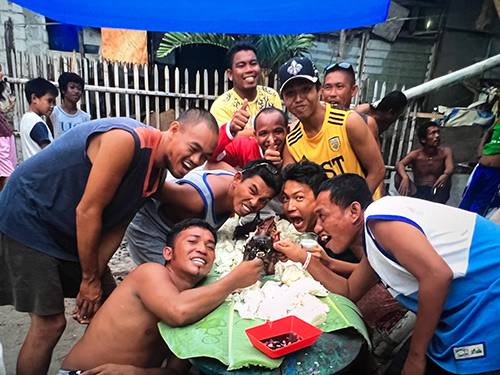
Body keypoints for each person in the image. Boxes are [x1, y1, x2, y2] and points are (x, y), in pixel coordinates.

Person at [0, 109, 219, 375]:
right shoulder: (126, 140)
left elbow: (117, 226)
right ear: (173, 129)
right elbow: (88, 211)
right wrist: (88, 279)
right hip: (30, 218)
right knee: (50, 324)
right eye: (193, 148)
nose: (195, 160)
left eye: (205, 157)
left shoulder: (155, 174)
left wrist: (91, 280)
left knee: (107, 302)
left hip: (69, 230)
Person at [275, 173, 500, 375]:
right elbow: (349, 291)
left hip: (486, 305)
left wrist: (416, 356)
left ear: (354, 211)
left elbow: (436, 275)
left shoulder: (380, 220)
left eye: (322, 216)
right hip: (457, 315)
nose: (317, 227)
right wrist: (303, 258)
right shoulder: (374, 240)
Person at [60, 219, 264, 374]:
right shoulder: (150, 272)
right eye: (192, 241)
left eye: (210, 247)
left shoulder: (200, 299)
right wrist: (233, 280)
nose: (202, 249)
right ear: (168, 253)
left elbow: (175, 371)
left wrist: (133, 372)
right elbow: (177, 311)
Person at [127, 158, 282, 265]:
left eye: (263, 200)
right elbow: (152, 187)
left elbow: (213, 162)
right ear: (237, 179)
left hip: (179, 232)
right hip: (148, 227)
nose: (255, 202)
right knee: (170, 285)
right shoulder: (196, 200)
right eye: (252, 191)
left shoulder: (232, 179)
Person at [279, 56, 385, 197]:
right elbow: (288, 191)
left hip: (360, 214)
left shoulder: (348, 122)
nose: (298, 99)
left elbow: (377, 170)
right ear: (283, 99)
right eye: (290, 93)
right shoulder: (292, 142)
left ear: (319, 90)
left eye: (305, 89)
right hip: (324, 216)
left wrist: (352, 210)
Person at [210, 41, 282, 138]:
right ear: (230, 74)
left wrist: (240, 134)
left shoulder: (271, 96)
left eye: (253, 63)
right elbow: (223, 142)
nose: (249, 69)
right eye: (241, 65)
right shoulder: (221, 106)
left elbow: (280, 132)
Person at [207, 107, 288, 169]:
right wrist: (231, 128)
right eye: (263, 134)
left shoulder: (295, 148)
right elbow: (211, 155)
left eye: (278, 132)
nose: (271, 139)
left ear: (287, 131)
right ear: (255, 136)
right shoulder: (245, 147)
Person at [395, 121, 454, 203]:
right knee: (398, 176)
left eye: (438, 132)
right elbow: (400, 164)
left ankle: (437, 205)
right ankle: (407, 202)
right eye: (432, 133)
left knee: (447, 178)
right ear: (423, 140)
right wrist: (405, 177)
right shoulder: (416, 155)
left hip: (437, 190)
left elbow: (450, 167)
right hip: (418, 191)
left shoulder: (445, 152)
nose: (437, 136)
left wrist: (446, 174)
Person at [459, 118, 500, 217]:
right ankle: (459, 223)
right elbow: (488, 132)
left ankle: (473, 227)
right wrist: (481, 148)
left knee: (482, 203)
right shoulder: (498, 121)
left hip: (496, 173)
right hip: (481, 168)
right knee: (468, 197)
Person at [20, 77, 58, 160]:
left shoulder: (26, 119)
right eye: (49, 101)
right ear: (34, 98)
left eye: (54, 102)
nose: (53, 106)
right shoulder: (36, 122)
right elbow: (50, 153)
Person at [49, 72, 91, 138]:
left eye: (79, 88)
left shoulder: (85, 117)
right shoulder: (54, 113)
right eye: (72, 87)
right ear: (63, 90)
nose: (76, 91)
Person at [0, 66, 16, 191]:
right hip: (1, 138)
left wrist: (10, 107)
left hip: (5, 135)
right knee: (8, 172)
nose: (1, 73)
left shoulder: (2, 91)